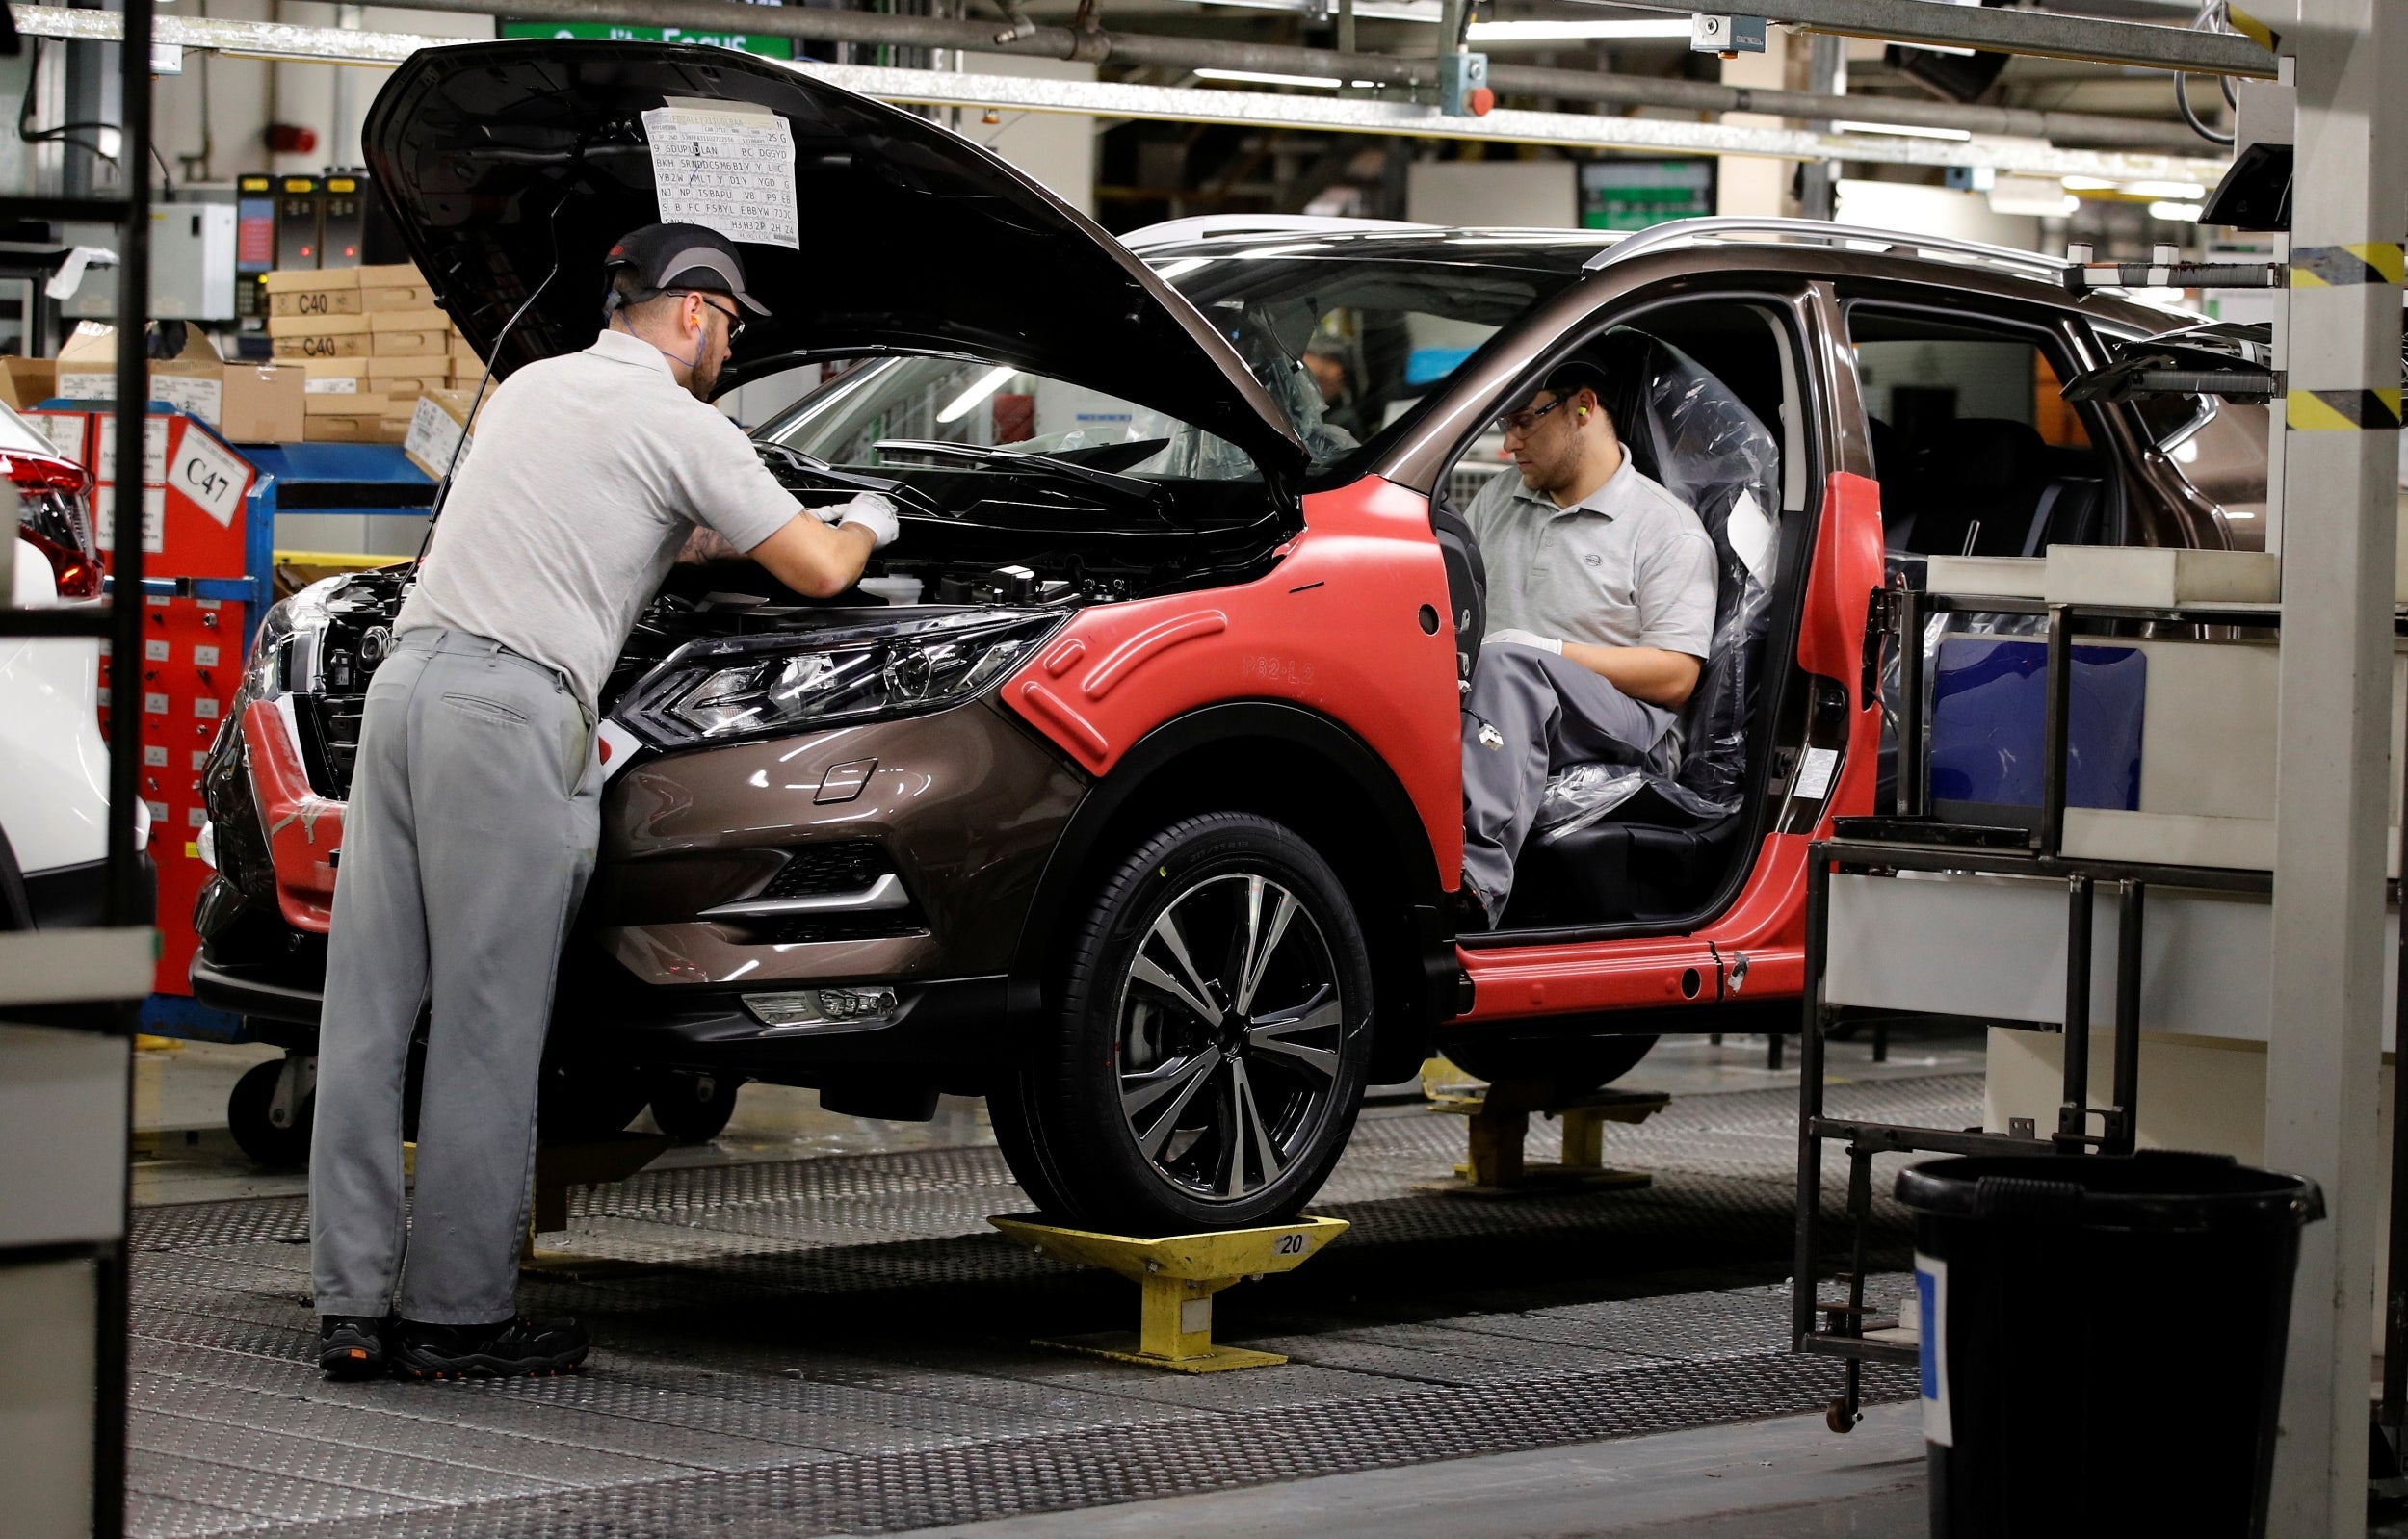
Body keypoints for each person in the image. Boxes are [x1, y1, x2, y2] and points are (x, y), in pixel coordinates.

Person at [309, 223, 896, 1381]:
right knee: (485, 1027)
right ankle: (457, 1318)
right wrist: (875, 514)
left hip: (409, 688)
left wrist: (691, 543)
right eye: (730, 326)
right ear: (691, 312)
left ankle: (354, 1306)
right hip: (507, 715)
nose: (728, 347)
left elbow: (600, 524)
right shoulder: (682, 422)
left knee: (370, 1015)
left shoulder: (535, 386)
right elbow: (822, 569)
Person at [1456, 361, 1717, 928]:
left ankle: (1472, 882)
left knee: (1509, 665)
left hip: (1626, 724)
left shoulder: (1665, 528)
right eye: (1505, 424)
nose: (1509, 444)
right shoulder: (1497, 502)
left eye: (1525, 421)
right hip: (1502, 703)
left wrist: (1545, 651)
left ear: (1582, 407)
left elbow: (1676, 676)